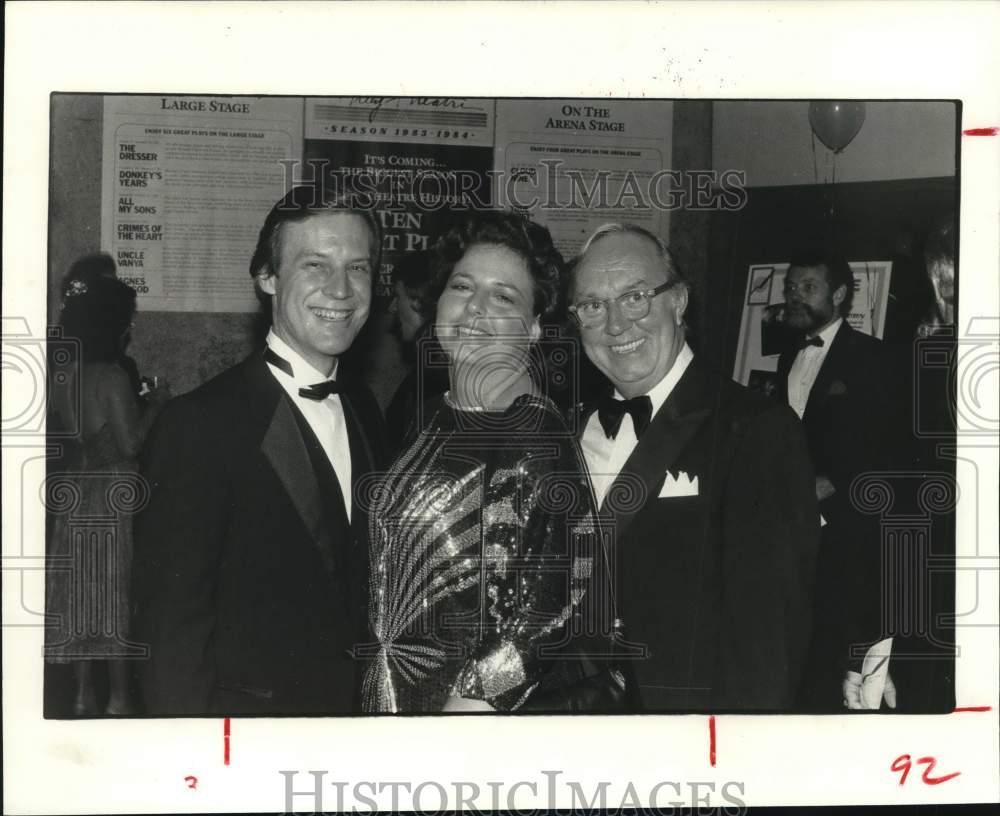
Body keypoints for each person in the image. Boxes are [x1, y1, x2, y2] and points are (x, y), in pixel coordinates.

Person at [132, 185, 385, 715]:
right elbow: (169, 629)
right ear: (267, 278)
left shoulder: (365, 410)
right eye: (315, 265)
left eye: (358, 268)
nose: (340, 290)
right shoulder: (198, 424)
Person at [362, 211, 611, 713]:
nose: (474, 308)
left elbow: (556, 605)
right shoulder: (434, 417)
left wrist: (470, 707)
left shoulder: (535, 433)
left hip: (468, 735)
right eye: (461, 286)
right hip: (389, 708)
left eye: (503, 296)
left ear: (536, 326)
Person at [568, 223, 819, 712]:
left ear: (679, 301)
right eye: (593, 306)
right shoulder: (569, 430)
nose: (616, 325)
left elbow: (770, 639)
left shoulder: (756, 429)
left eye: (635, 296)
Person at [775, 249, 898, 711]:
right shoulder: (790, 352)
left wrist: (836, 482)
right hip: (793, 525)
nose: (794, 296)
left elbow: (888, 447)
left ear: (841, 295)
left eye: (808, 287)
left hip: (845, 530)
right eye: (791, 287)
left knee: (838, 648)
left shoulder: (873, 358)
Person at [46, 268, 170, 715]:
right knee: (113, 594)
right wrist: (156, 404)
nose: (129, 329)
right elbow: (130, 443)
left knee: (82, 593)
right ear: (112, 324)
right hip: (112, 493)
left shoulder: (66, 375)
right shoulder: (112, 376)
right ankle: (118, 699)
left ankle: (82, 694)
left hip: (78, 489)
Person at [383, 249, 448, 453]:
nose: (392, 307)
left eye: (398, 296)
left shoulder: (431, 376)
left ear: (418, 300)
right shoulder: (435, 368)